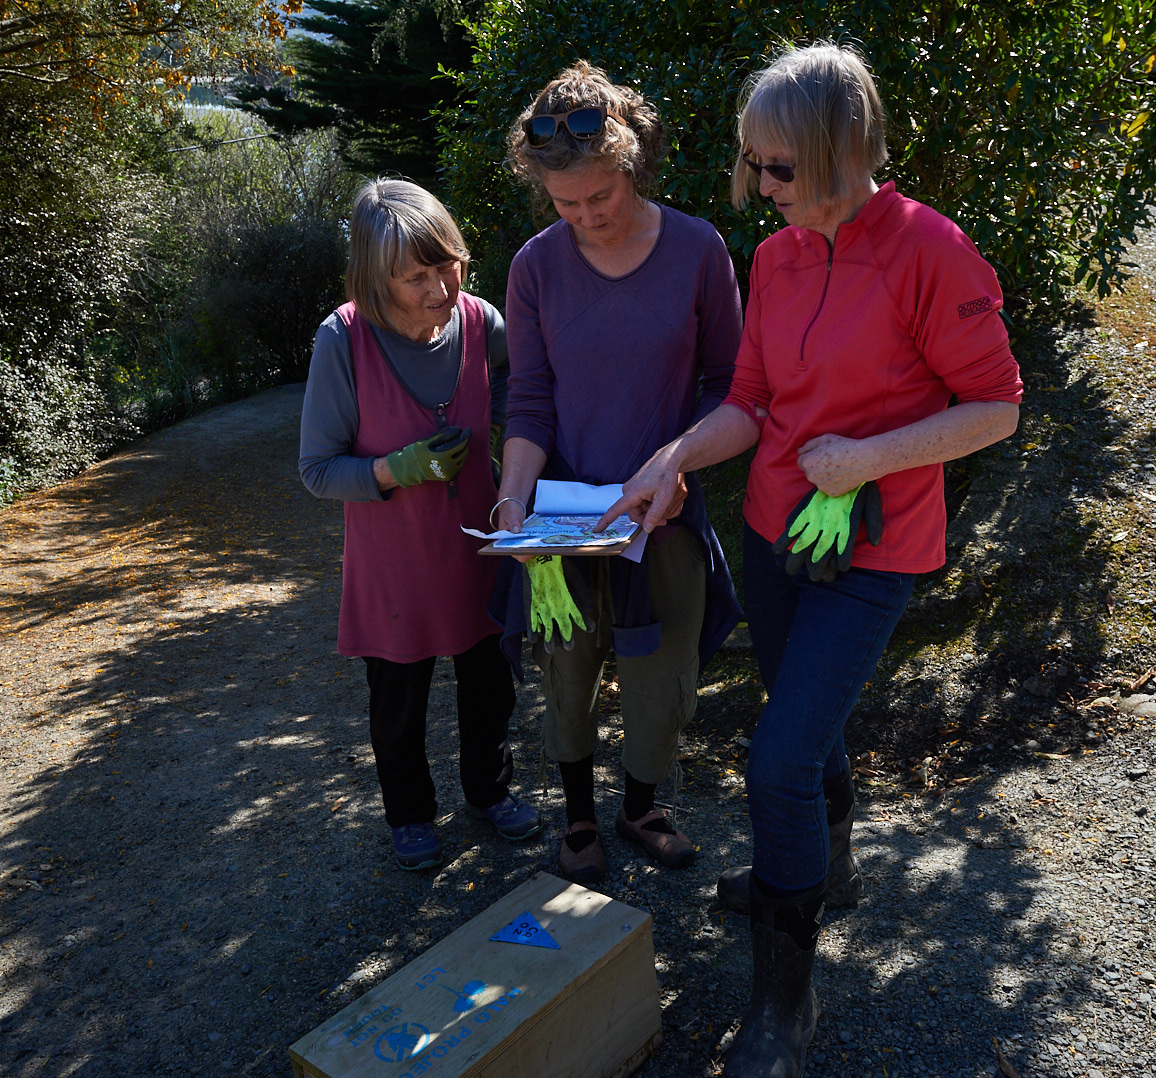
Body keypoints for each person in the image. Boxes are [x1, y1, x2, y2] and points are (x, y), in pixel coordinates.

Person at [598, 44, 1024, 1076]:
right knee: (802, 717)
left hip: (876, 550)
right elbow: (750, 400)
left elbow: (997, 408)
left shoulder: (931, 249)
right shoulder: (779, 258)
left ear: (840, 153)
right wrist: (674, 458)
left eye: (776, 167)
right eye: (753, 165)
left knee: (779, 756)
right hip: (776, 533)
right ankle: (827, 870)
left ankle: (785, 1004)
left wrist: (867, 458)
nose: (758, 187)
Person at [493, 62, 744, 885]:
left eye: (598, 197)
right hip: (562, 522)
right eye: (564, 204)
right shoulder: (535, 267)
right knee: (564, 668)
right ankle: (576, 819)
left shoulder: (699, 250)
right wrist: (511, 498)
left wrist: (677, 470)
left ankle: (640, 808)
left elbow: (731, 387)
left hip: (661, 516)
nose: (584, 218)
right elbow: (528, 401)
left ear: (631, 164)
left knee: (659, 676)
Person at [298, 179, 540, 872]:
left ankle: (490, 795)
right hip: (393, 567)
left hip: (478, 553)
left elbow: (522, 409)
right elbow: (317, 471)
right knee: (398, 705)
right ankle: (410, 815)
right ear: (378, 278)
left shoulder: (480, 322)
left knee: (490, 688)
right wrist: (393, 470)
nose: (440, 289)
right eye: (417, 277)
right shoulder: (343, 340)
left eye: (450, 265)